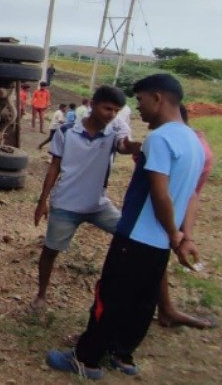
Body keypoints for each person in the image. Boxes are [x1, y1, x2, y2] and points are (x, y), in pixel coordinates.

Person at [47, 73, 204, 379]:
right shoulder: (193, 141)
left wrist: (174, 233)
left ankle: (87, 360)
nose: (138, 109)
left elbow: (160, 194)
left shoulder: (159, 139)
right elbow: (188, 194)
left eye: (141, 100)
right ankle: (123, 355)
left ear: (157, 98)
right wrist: (183, 237)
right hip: (159, 244)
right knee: (143, 301)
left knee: (111, 296)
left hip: (136, 236)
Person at [32, 86, 136, 312]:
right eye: (107, 108)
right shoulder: (66, 131)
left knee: (131, 236)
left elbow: (123, 145)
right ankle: (41, 294)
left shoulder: (114, 129)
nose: (111, 114)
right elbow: (54, 168)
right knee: (50, 251)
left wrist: (136, 146)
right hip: (65, 205)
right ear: (92, 104)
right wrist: (42, 202)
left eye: (116, 110)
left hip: (98, 204)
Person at [157, 104, 217, 329]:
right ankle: (165, 309)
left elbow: (185, 193)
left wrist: (179, 233)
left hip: (169, 211)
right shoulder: (196, 144)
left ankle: (166, 310)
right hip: (175, 210)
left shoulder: (172, 144)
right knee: (157, 258)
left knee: (154, 256)